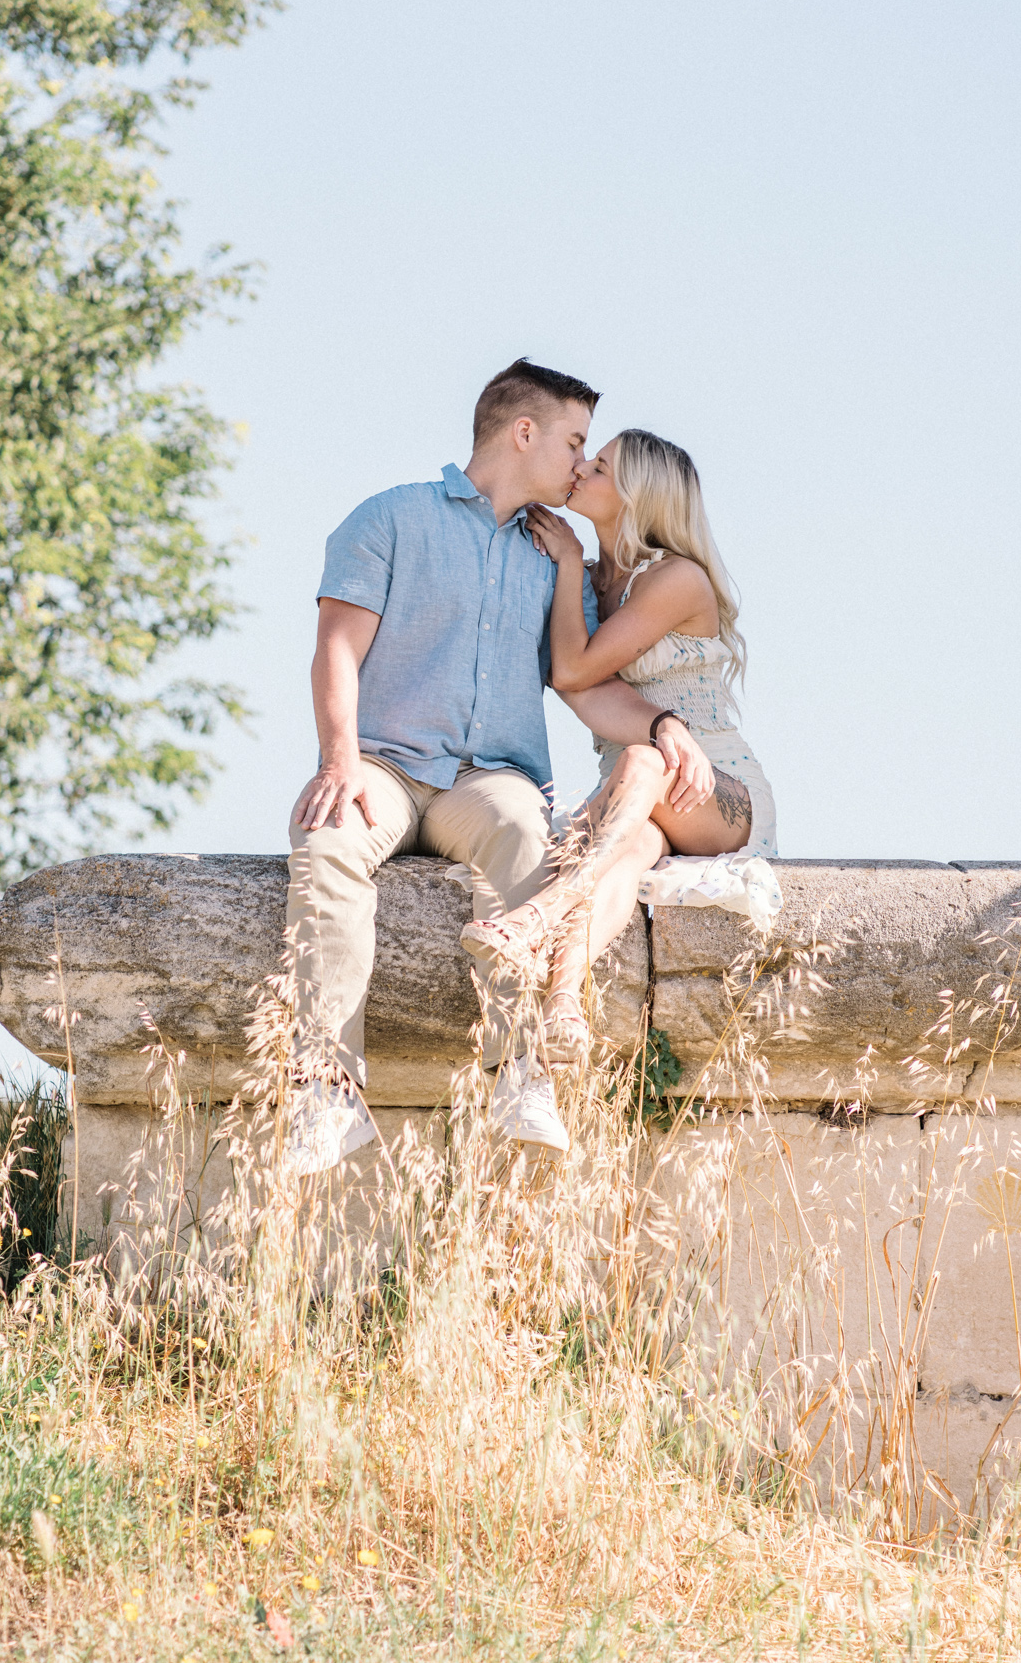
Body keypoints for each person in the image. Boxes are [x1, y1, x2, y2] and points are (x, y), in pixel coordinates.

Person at [285, 362, 717, 1171]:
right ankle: (327, 1090)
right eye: (574, 441)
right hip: (382, 763)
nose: (581, 464)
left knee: (527, 826)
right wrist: (339, 759)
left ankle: (523, 1074)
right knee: (328, 836)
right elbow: (335, 648)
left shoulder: (554, 556)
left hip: (488, 780)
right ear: (525, 433)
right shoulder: (391, 518)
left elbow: (584, 688)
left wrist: (665, 726)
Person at [459, 427, 776, 1065]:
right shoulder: (594, 583)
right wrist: (575, 570)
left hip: (714, 786)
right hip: (636, 800)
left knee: (640, 759)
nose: (581, 469)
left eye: (599, 466)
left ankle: (537, 917)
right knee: (622, 856)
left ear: (637, 496)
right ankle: (563, 1009)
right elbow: (569, 683)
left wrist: (570, 562)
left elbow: (576, 669)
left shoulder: (677, 579)